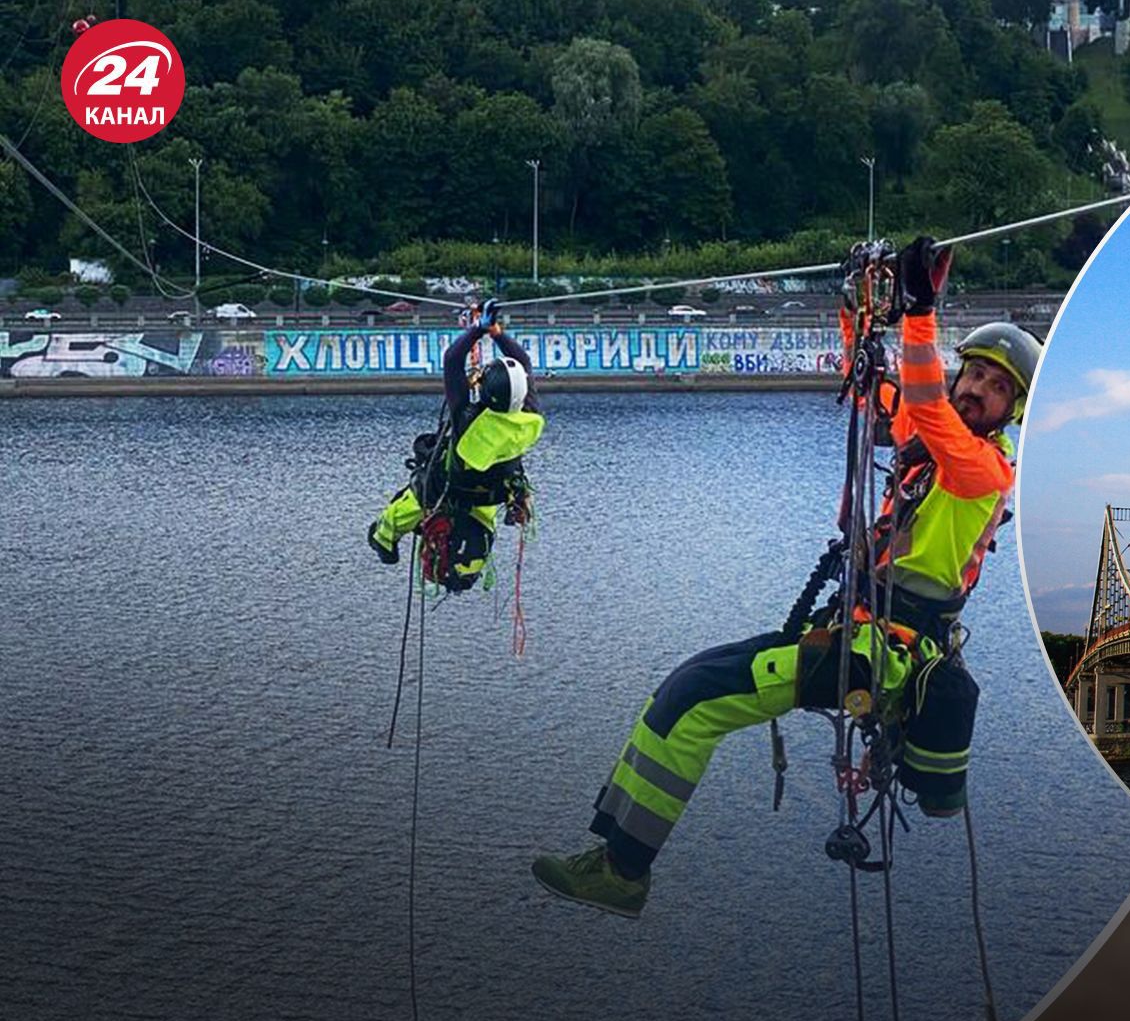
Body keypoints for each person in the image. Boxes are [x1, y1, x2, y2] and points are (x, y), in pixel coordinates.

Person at [531, 237, 1038, 917]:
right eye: (974, 374)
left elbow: (923, 391)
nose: (977, 389)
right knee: (678, 689)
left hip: (879, 657)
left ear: (1015, 410)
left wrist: (919, 310)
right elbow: (878, 382)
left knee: (695, 703)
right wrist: (859, 300)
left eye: (997, 387)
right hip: (855, 631)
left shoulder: (983, 472)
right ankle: (613, 852)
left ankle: (625, 872)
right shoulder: (934, 443)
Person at [367, 298, 544, 591]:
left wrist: (479, 329)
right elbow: (524, 363)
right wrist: (497, 333)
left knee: (408, 504)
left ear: (486, 391)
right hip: (488, 497)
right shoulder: (529, 418)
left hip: (445, 488)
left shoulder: (467, 420)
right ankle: (463, 568)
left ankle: (384, 540)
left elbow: (452, 359)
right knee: (479, 525)